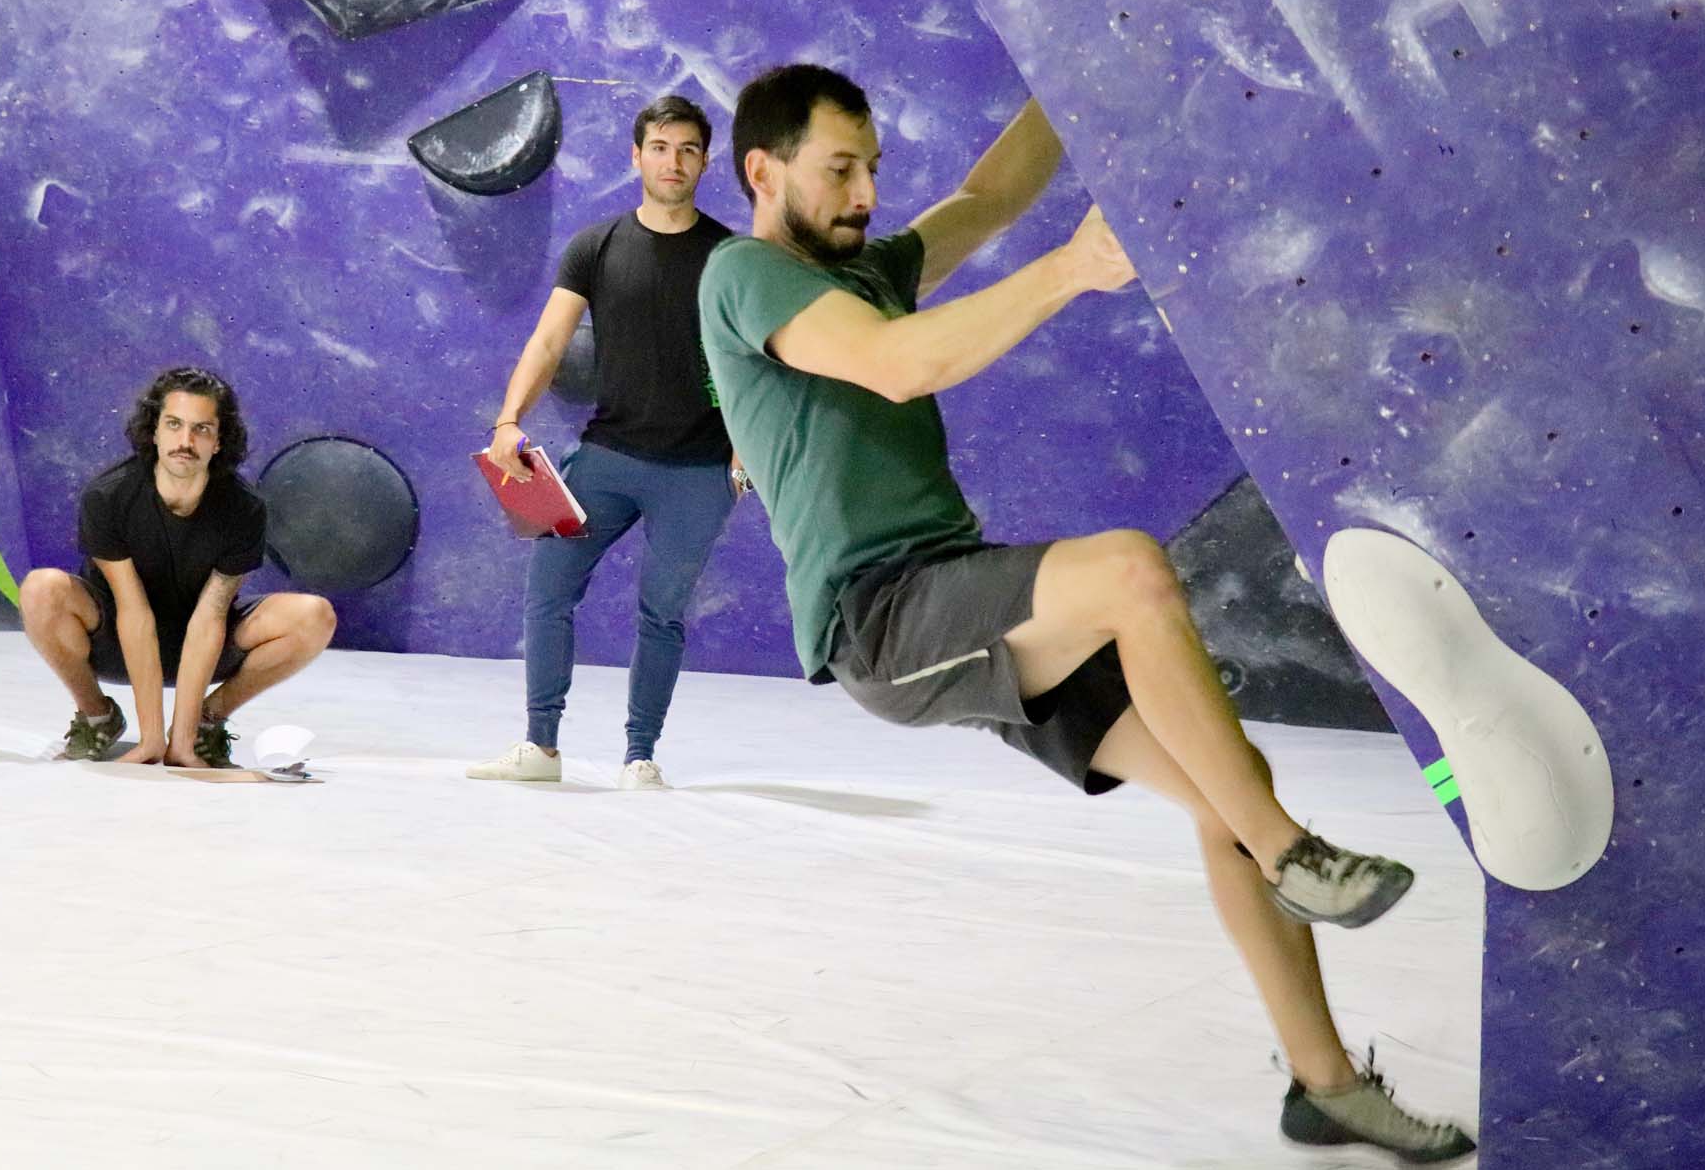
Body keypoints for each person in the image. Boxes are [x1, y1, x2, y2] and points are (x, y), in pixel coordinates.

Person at [698, 64, 1476, 1164]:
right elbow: (898, 366)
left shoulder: (867, 266)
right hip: (881, 617)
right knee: (1129, 574)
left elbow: (990, 196)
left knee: (1226, 782)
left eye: (873, 166)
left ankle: (1325, 1085)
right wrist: (1072, 269)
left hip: (954, 587)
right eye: (839, 170)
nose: (866, 192)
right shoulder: (743, 274)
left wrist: (1073, 68)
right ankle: (1291, 855)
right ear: (761, 172)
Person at [468, 94, 745, 791]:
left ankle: (640, 757)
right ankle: (540, 748)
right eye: (660, 147)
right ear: (636, 156)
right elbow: (549, 341)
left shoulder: (730, 257)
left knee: (662, 614)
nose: (673, 161)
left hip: (698, 472)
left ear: (705, 162)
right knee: (547, 591)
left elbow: (756, 361)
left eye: (687, 150)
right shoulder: (595, 246)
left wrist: (748, 451)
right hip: (606, 459)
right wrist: (508, 421)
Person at [20, 366, 336, 768]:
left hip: (205, 639)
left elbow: (210, 616)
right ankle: (97, 715)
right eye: (174, 424)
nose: (185, 442)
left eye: (201, 429)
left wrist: (181, 743)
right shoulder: (108, 497)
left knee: (314, 616)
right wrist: (151, 740)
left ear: (219, 441)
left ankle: (206, 722)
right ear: (154, 431)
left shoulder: (244, 509)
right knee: (41, 589)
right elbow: (134, 612)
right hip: (117, 638)